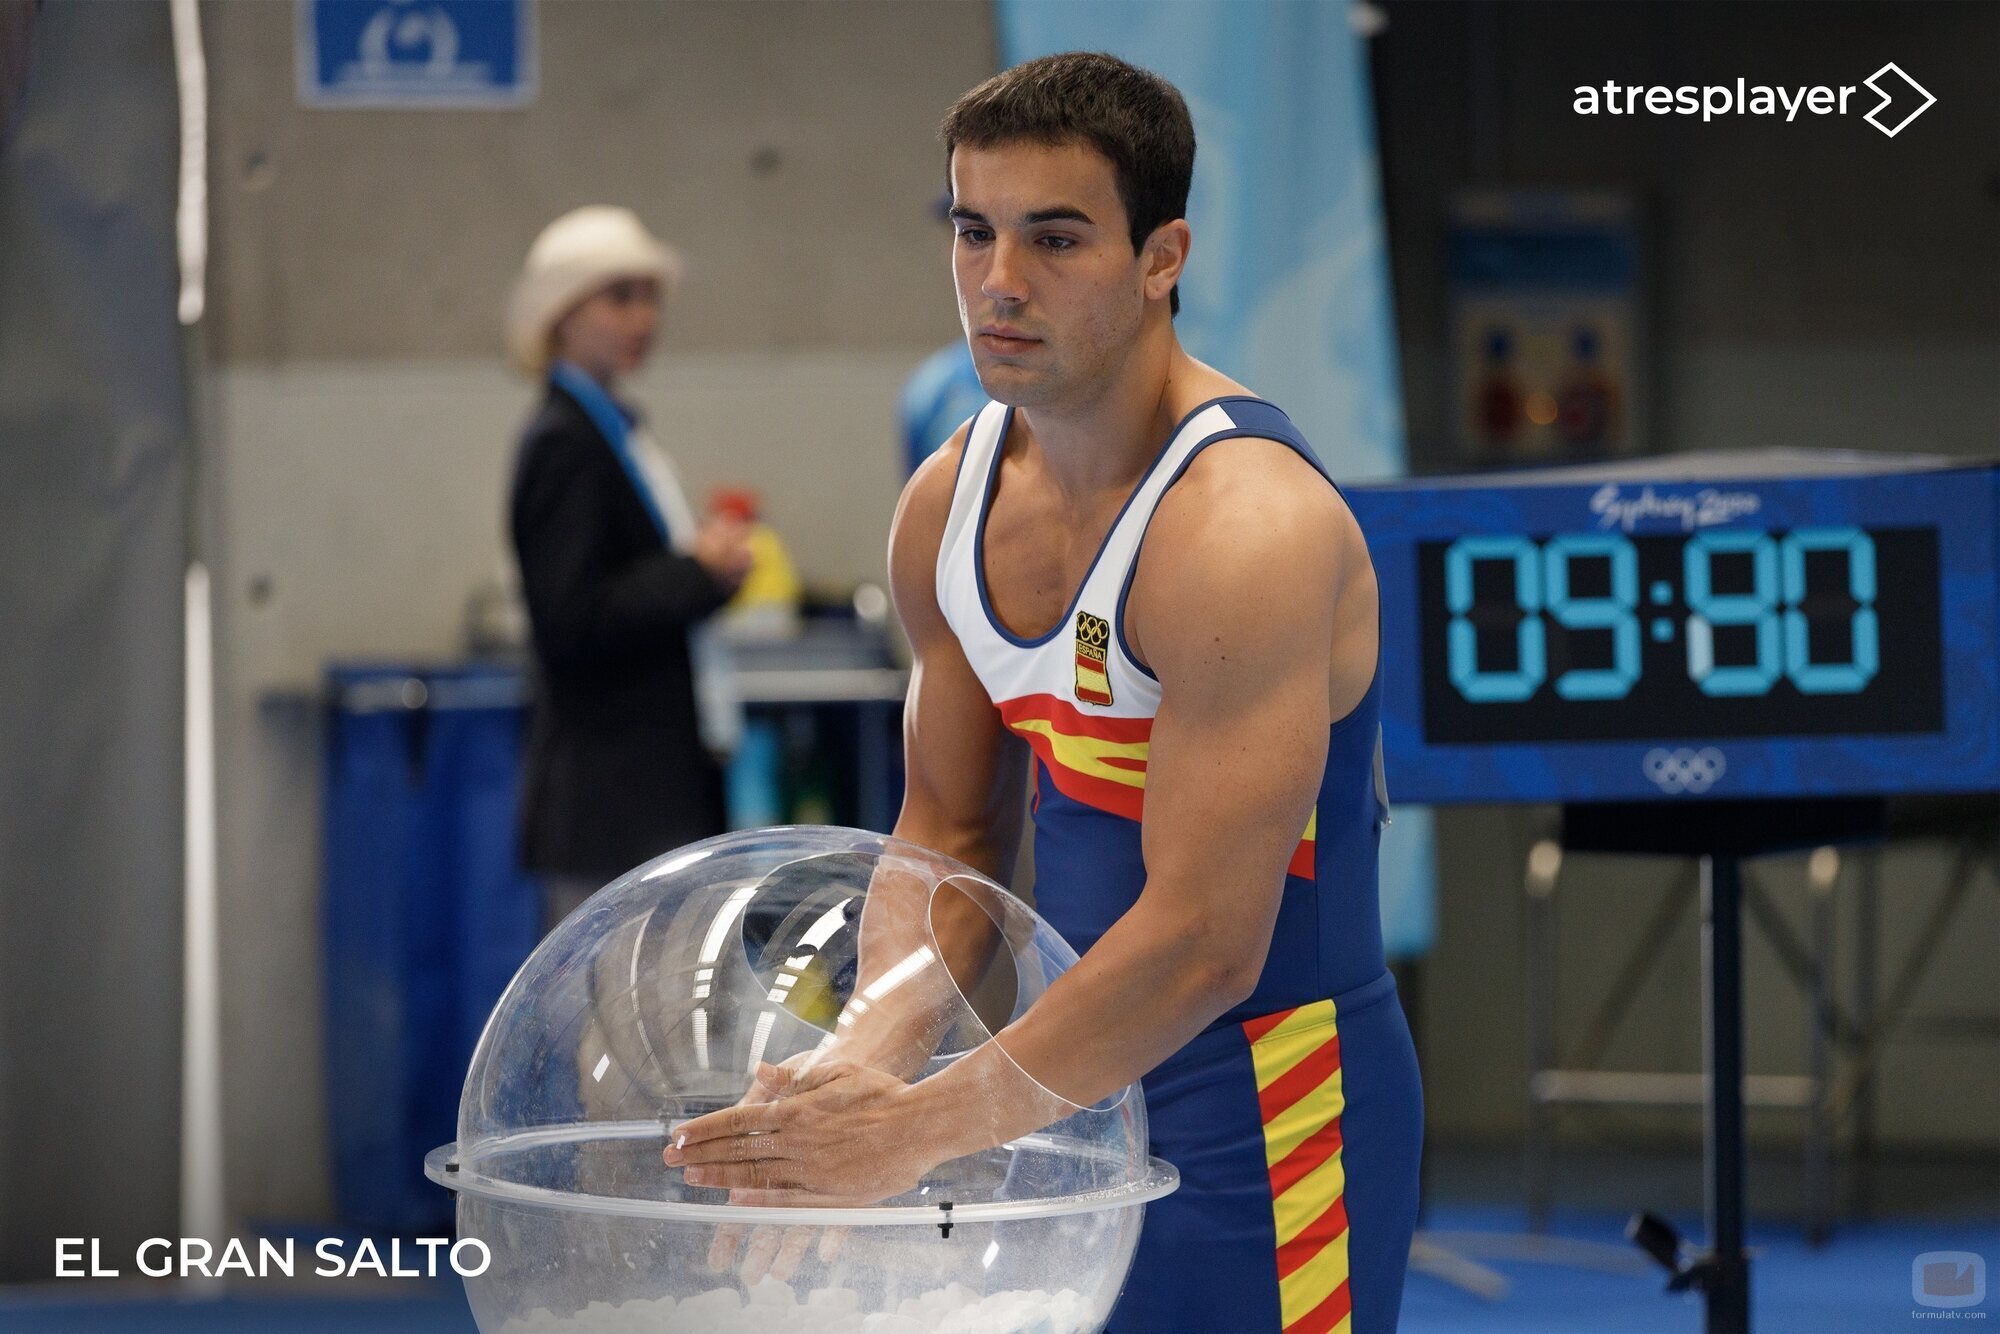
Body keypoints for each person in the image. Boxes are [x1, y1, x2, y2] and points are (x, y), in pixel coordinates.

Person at [668, 54, 1423, 1332]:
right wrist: (867, 1052)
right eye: (973, 230)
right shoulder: (947, 503)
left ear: (1161, 255)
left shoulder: (1243, 529)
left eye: (1055, 238)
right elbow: (950, 832)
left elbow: (1201, 941)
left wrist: (912, 1130)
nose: (999, 281)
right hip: (1061, 1089)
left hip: (1263, 1103)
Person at [505, 205, 753, 935]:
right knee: (612, 1036)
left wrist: (701, 575)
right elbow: (571, 615)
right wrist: (697, 573)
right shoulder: (565, 442)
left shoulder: (611, 428)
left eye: (650, 298)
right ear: (560, 313)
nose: (643, 318)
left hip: (642, 797)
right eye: (619, 298)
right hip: (609, 806)